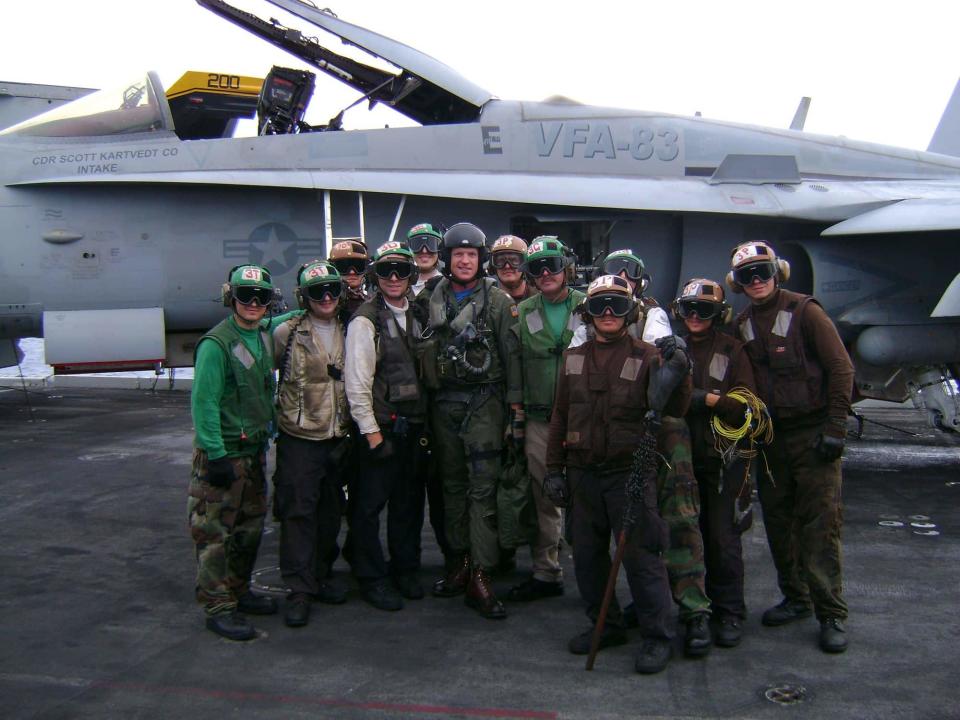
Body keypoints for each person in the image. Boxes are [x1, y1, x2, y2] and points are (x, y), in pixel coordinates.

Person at [545, 274, 692, 674]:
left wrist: (683, 366)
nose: (608, 313)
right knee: (588, 558)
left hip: (629, 474)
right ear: (587, 314)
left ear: (631, 312)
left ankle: (657, 636)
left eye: (617, 305)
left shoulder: (649, 356)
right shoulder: (572, 359)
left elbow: (674, 407)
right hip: (582, 475)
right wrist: (553, 470)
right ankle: (605, 625)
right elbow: (560, 417)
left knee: (642, 557)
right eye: (598, 306)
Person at [571, 249, 712, 657]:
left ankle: (693, 611)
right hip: (623, 441)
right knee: (637, 534)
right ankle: (647, 611)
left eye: (629, 273)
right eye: (612, 273)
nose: (620, 279)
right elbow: (578, 363)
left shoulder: (654, 318)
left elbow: (663, 380)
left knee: (680, 521)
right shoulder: (593, 322)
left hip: (665, 434)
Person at [727, 241, 854, 653]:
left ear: (777, 272)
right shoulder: (743, 324)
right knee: (779, 524)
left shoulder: (805, 311)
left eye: (763, 271)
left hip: (812, 435)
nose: (757, 280)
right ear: (738, 283)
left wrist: (836, 426)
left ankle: (830, 612)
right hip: (770, 440)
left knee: (819, 526)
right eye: (748, 275)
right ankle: (796, 598)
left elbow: (840, 368)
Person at [416, 222, 522, 619]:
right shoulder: (431, 297)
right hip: (443, 406)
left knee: (483, 490)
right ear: (447, 258)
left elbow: (513, 361)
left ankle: (481, 571)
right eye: (458, 254)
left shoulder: (496, 302)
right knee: (452, 488)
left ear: (480, 260)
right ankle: (459, 560)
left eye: (471, 255)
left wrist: (516, 414)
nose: (464, 261)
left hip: (485, 405)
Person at [187, 264, 280, 641]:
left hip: (254, 452)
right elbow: (204, 402)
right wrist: (215, 454)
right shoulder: (216, 345)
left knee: (248, 530)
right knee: (214, 536)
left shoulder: (260, 334)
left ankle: (239, 590)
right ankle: (218, 607)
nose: (254, 304)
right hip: (224, 456)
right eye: (246, 296)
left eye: (261, 298)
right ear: (232, 298)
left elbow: (288, 318)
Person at [672, 278, 757, 648]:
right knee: (684, 540)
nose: (694, 316)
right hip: (682, 461)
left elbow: (745, 406)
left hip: (722, 460)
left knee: (722, 540)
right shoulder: (675, 350)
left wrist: (705, 399)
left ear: (718, 314)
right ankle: (692, 610)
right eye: (688, 309)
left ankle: (731, 611)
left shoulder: (733, 351)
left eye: (703, 310)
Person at [345, 241, 428, 611]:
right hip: (380, 428)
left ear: (411, 276)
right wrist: (371, 433)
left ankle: (405, 569)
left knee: (408, 506)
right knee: (367, 508)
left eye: (401, 271)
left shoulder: (420, 314)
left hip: (413, 427)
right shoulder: (365, 320)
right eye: (386, 271)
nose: (394, 278)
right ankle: (371, 577)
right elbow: (357, 383)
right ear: (376, 276)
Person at [272, 260, 351, 628]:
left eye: (332, 290)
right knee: (298, 513)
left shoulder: (352, 328)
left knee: (330, 512)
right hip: (300, 439)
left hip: (337, 436)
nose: (326, 297)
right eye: (317, 292)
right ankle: (299, 589)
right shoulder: (284, 332)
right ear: (304, 297)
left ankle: (320, 574)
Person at [507, 236, 584, 602]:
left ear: (565, 267)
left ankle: (590, 571)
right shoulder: (523, 312)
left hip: (584, 420)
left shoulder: (590, 306)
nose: (545, 274)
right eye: (536, 268)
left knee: (588, 498)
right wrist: (518, 417)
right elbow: (517, 369)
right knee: (545, 497)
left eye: (551, 266)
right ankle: (546, 571)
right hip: (540, 420)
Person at [329, 238, 370, 321]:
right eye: (343, 266)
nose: (352, 272)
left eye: (358, 265)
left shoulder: (375, 304)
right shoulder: (325, 304)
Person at [489, 234, 537, 302]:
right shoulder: (486, 302)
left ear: (525, 264)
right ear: (492, 266)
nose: (507, 266)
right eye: (501, 261)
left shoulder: (542, 299)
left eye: (514, 260)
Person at [408, 223, 445, 295]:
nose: (424, 251)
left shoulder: (448, 285)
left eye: (431, 245)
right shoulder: (399, 284)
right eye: (417, 244)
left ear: (439, 249)